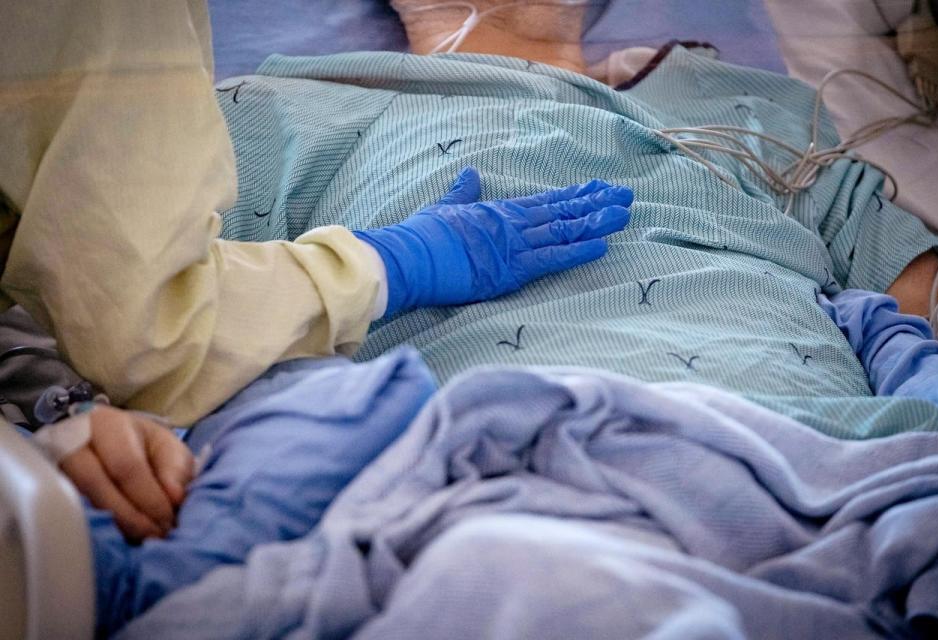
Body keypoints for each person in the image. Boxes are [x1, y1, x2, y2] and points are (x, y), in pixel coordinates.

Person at [0, 0, 630, 540]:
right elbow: (134, 325)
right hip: (454, 471)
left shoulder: (708, 100)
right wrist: (394, 263)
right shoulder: (269, 107)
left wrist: (54, 408)